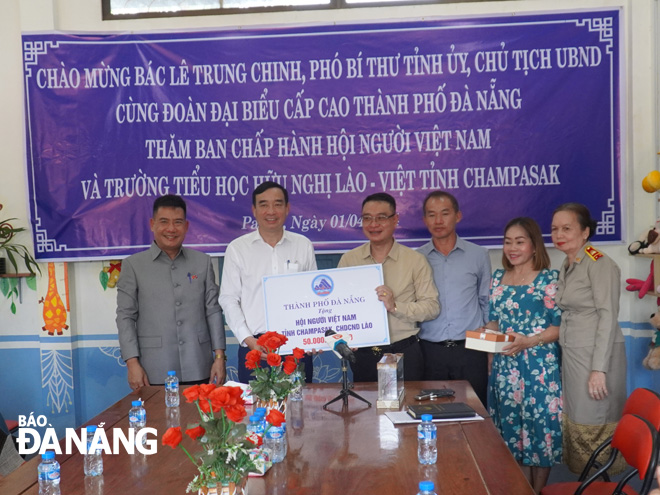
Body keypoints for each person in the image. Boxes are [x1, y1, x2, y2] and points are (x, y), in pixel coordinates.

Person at [484, 217, 562, 494]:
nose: (512, 248)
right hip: (505, 366)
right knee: (509, 429)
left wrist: (530, 341)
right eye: (507, 242)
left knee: (539, 429)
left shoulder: (549, 279)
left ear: (533, 246)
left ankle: (536, 490)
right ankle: (517, 486)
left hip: (539, 366)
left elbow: (558, 326)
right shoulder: (497, 278)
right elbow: (494, 321)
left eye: (519, 241)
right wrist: (485, 336)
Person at [116, 195, 226, 390]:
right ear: (152, 224)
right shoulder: (133, 265)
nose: (171, 229)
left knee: (201, 420)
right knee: (157, 421)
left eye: (178, 222)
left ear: (186, 226)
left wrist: (219, 357)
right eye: (164, 222)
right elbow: (125, 316)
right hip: (153, 371)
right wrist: (132, 363)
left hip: (200, 366)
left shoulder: (202, 262)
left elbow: (213, 311)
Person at [551, 203, 627, 474]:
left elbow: (608, 316)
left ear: (585, 232)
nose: (559, 234)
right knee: (579, 416)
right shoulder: (568, 262)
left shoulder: (599, 263)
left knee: (596, 417)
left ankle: (602, 480)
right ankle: (587, 480)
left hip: (597, 355)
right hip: (574, 353)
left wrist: (599, 369)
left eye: (567, 228)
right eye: (555, 229)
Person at [219, 181, 316, 383]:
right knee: (254, 412)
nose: (271, 211)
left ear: (287, 208)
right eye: (263, 204)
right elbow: (228, 299)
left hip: (295, 345)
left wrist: (313, 337)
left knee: (299, 410)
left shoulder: (303, 245)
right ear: (254, 210)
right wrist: (248, 340)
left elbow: (313, 297)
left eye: (278, 204)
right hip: (255, 347)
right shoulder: (238, 248)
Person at [337, 192, 440, 381]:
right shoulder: (349, 260)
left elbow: (431, 308)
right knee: (366, 409)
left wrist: (395, 306)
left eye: (381, 218)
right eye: (367, 218)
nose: (373, 224)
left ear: (395, 220)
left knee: (406, 409)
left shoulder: (415, 260)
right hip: (364, 355)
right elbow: (340, 308)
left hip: (404, 352)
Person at [417, 191, 492, 406]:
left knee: (475, 413)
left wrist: (489, 351)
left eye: (445, 213)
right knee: (432, 414)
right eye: (431, 215)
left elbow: (486, 302)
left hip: (471, 350)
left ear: (457, 216)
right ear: (424, 220)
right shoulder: (417, 258)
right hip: (430, 351)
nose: (438, 221)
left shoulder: (478, 255)